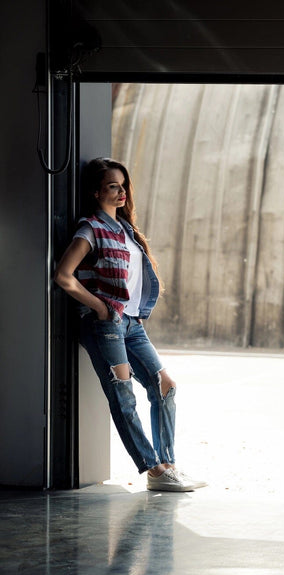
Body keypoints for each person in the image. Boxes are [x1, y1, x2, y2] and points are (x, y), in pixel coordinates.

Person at [54, 158, 205, 492]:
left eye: (123, 185)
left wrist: (122, 312)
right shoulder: (90, 228)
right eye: (112, 186)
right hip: (105, 325)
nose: (122, 191)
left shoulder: (124, 228)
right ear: (96, 192)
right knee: (124, 397)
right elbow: (64, 276)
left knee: (164, 385)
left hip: (131, 322)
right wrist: (101, 308)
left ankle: (168, 464)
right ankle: (154, 470)